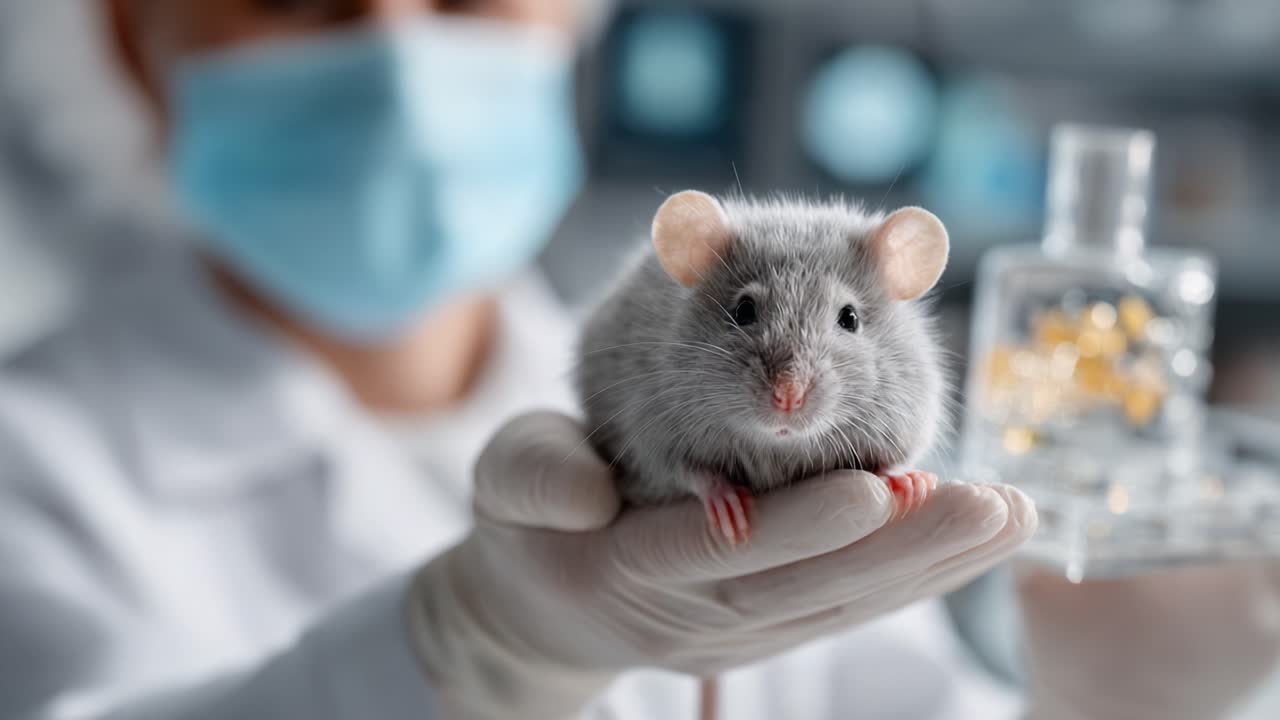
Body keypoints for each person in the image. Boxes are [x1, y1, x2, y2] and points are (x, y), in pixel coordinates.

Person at [0, 1, 1039, 718]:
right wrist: (472, 658)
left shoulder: (658, 370)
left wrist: (1114, 691)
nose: (399, 59)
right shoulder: (32, 467)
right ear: (134, 37)